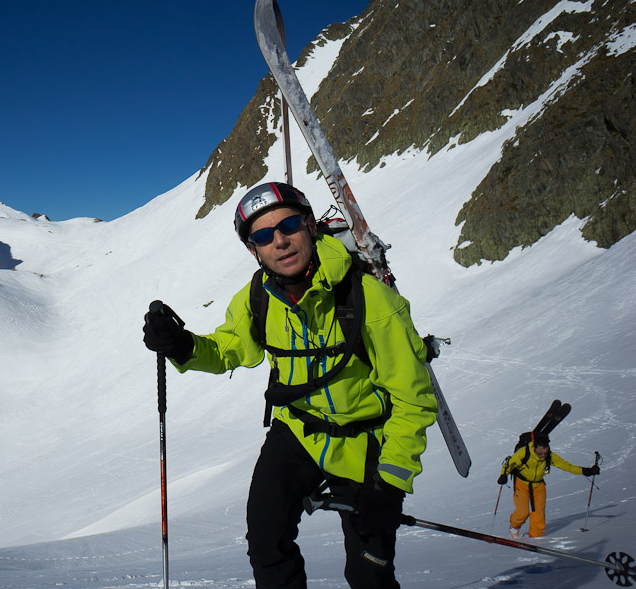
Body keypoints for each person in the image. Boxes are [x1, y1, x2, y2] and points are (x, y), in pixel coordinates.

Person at [143, 181, 438, 589]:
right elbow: (228, 349)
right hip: (297, 431)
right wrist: (183, 345)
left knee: (369, 572)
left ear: (310, 227)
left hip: (366, 440)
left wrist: (390, 483)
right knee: (266, 543)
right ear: (254, 250)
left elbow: (413, 399)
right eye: (263, 236)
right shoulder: (257, 298)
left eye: (288, 226)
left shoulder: (368, 298)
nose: (279, 241)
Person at [497, 431, 600, 538]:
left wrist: (586, 471)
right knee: (523, 512)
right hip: (521, 483)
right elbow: (509, 464)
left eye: (545, 453)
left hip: (538, 485)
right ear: (534, 447)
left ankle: (535, 537)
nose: (543, 456)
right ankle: (514, 527)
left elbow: (567, 466)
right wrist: (503, 475)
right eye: (540, 453)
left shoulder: (549, 456)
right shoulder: (524, 453)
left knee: (539, 514)